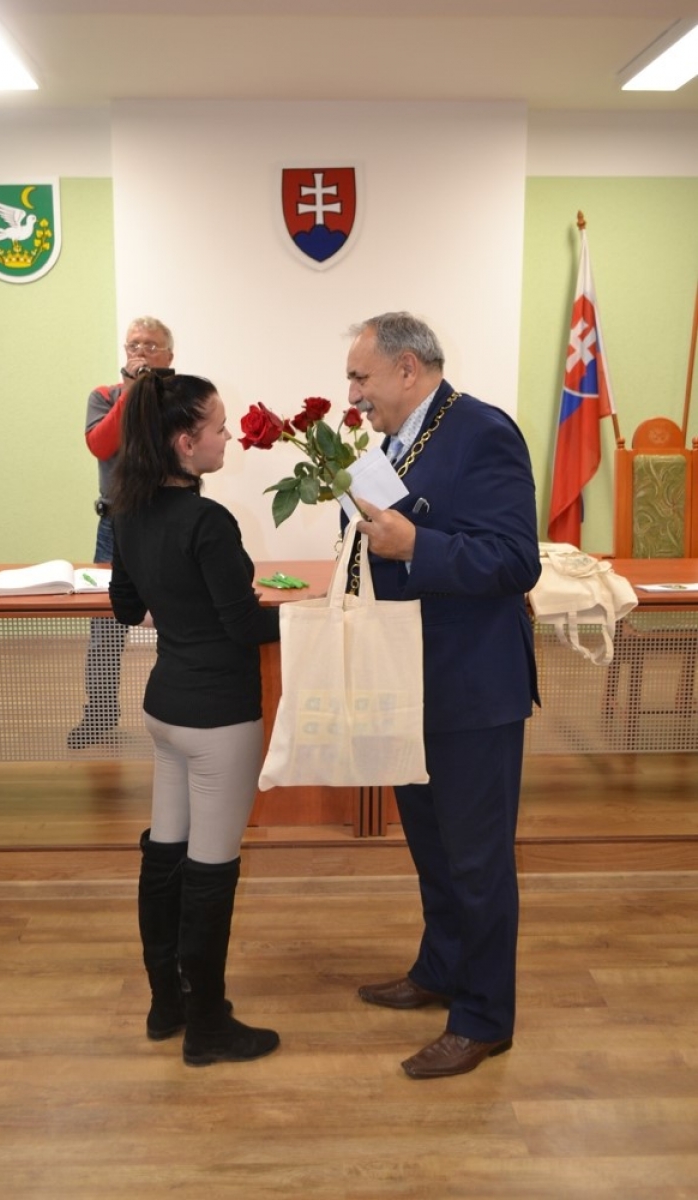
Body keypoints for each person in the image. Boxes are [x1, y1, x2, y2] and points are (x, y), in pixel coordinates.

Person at [346, 311, 541, 1079]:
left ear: (407, 369)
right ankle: (441, 967)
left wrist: (416, 546)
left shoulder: (483, 432)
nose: (353, 393)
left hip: (473, 687)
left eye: (361, 377)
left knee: (478, 861)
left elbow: (514, 560)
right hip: (411, 678)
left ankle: (485, 1018)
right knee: (433, 847)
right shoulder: (394, 441)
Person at [108, 371, 281, 1067]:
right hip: (217, 720)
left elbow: (127, 608)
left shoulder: (127, 510)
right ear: (186, 442)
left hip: (166, 710)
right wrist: (311, 617)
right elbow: (244, 627)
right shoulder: (208, 522)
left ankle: (167, 1005)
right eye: (217, 427)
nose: (228, 436)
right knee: (211, 867)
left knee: (165, 852)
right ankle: (208, 1027)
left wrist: (182, 603)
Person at [67, 317, 175, 749]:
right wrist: (131, 392)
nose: (141, 352)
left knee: (177, 614)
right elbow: (101, 445)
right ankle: (99, 714)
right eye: (134, 345)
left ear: (169, 355)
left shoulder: (178, 397)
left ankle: (175, 710)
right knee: (106, 623)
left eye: (151, 345)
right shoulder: (105, 396)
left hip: (167, 519)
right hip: (115, 524)